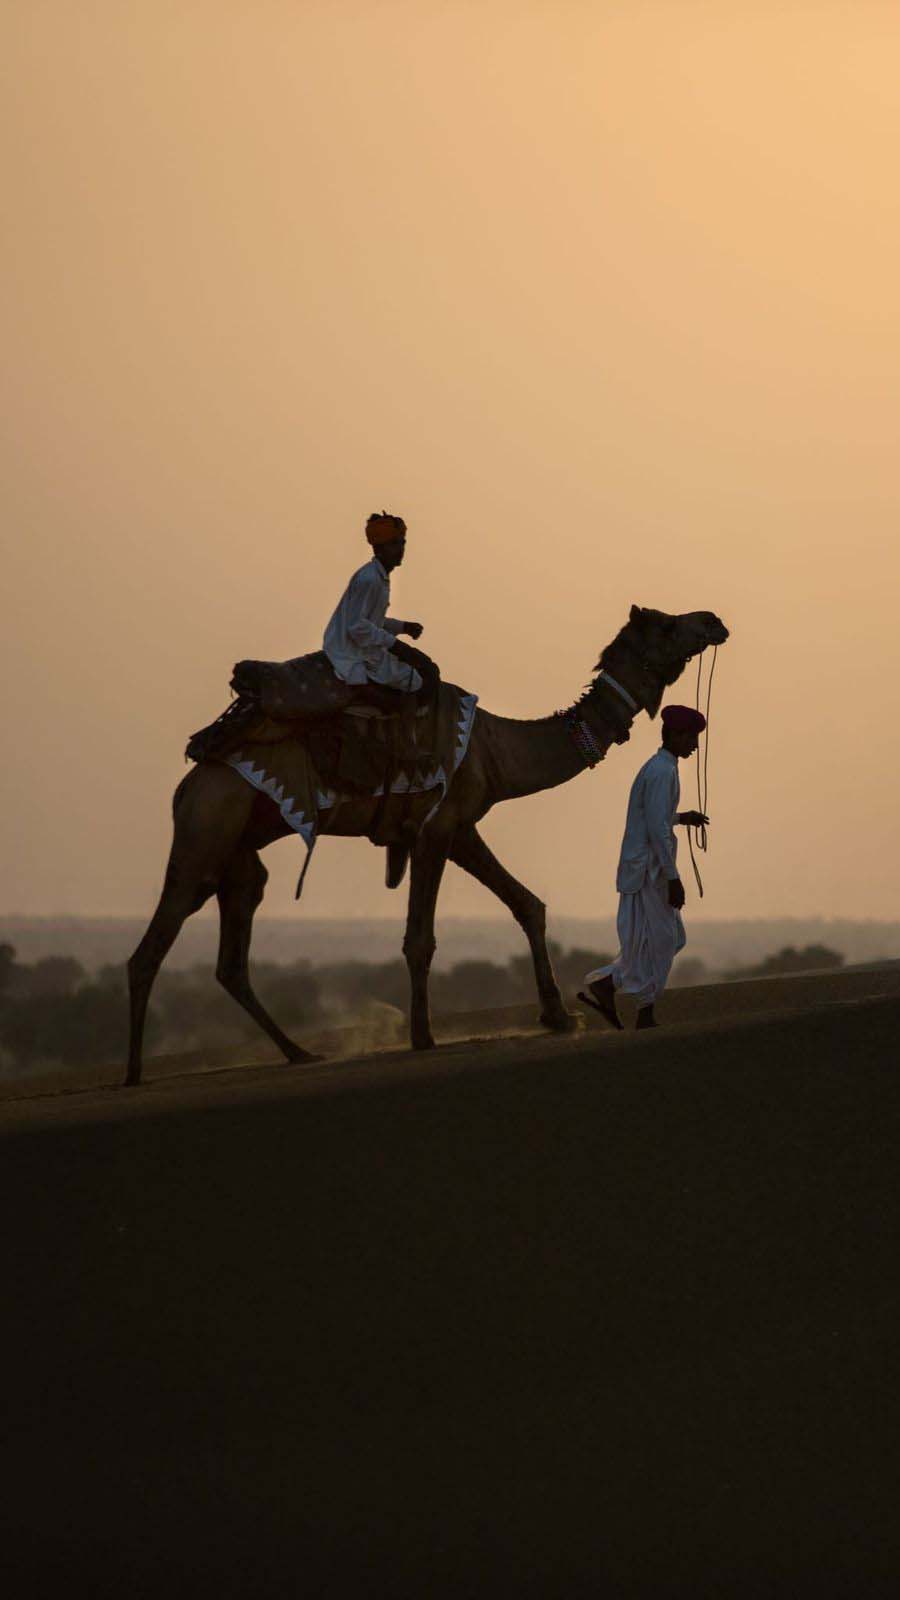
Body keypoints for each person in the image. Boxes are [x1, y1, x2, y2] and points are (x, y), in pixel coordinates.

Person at [579, 704, 709, 1030]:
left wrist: (682, 817)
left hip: (645, 868)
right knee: (664, 939)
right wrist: (673, 877)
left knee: (664, 939)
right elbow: (656, 829)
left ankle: (613, 984)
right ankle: (644, 1012)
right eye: (691, 737)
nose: (694, 744)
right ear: (676, 735)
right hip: (650, 871)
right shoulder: (662, 771)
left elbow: (656, 818)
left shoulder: (661, 767)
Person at [323, 511, 433, 696]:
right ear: (379, 548)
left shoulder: (379, 577)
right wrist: (395, 645)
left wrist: (402, 627)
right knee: (414, 681)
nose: (400, 550)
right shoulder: (369, 579)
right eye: (394, 544)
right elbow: (357, 626)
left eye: (402, 543)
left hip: (363, 648)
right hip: (351, 653)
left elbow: (372, 622)